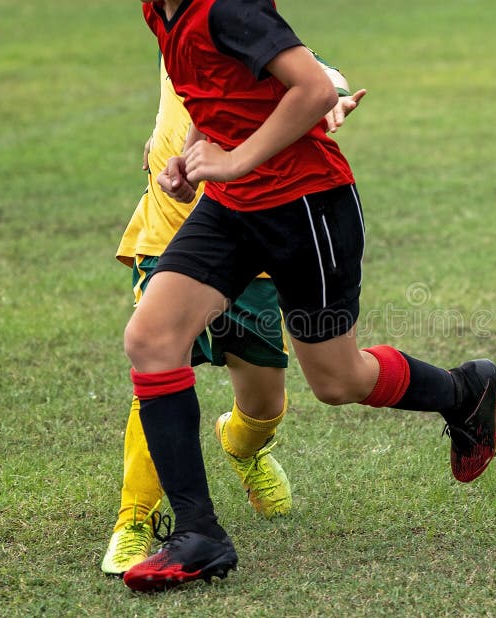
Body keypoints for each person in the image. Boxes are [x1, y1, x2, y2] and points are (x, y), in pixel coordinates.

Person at [123, 0, 496, 592]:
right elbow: (214, 90)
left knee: (336, 381)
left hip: (307, 207)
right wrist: (193, 153)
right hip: (231, 209)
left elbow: (312, 89)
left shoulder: (224, 6)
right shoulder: (159, 10)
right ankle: (198, 535)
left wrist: (232, 160)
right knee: (151, 337)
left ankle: (463, 391)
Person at [101, 50, 364, 576]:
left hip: (254, 237)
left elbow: (315, 69)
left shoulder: (236, 23)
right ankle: (135, 521)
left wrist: (332, 92)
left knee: (265, 402)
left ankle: (243, 446)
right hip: (173, 233)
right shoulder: (170, 25)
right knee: (157, 358)